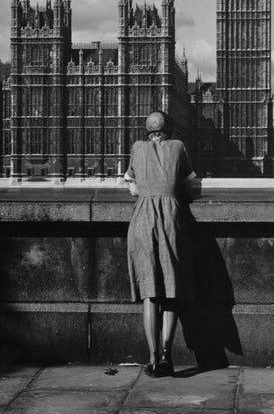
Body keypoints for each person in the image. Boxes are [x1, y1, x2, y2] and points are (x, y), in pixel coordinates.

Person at [124, 111, 196, 377]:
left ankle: (152, 359)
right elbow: (190, 185)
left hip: (142, 220)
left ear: (148, 131)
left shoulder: (137, 148)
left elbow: (131, 185)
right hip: (172, 220)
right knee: (172, 292)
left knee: (150, 294)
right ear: (171, 129)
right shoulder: (178, 147)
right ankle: (167, 355)